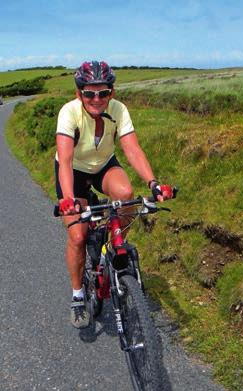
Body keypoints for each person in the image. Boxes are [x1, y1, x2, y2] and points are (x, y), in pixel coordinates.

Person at [55, 60, 173, 328]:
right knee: (77, 234)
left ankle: (111, 244)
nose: (97, 99)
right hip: (73, 170)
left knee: (127, 194)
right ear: (79, 93)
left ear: (112, 92)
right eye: (89, 93)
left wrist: (154, 183)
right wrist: (69, 199)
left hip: (103, 164)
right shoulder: (69, 112)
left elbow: (132, 149)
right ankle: (77, 296)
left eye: (103, 92)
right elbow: (64, 158)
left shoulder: (118, 110)